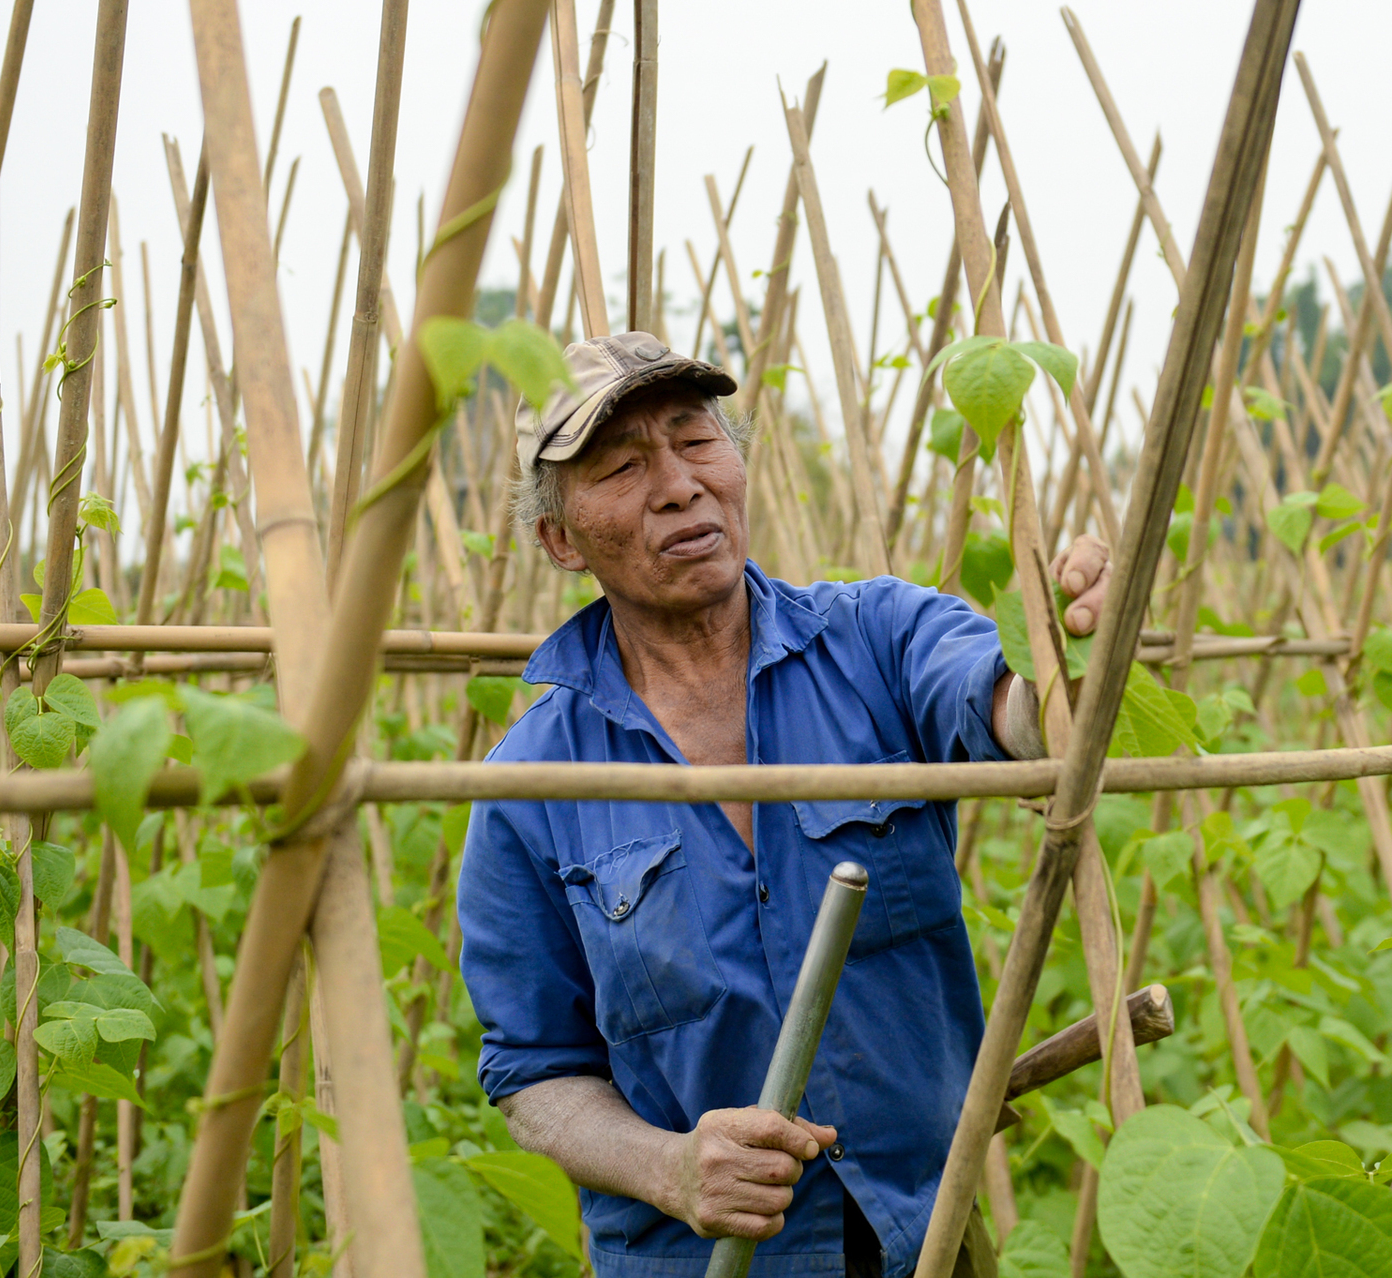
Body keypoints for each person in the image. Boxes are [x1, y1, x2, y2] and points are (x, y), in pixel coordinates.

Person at [456, 332, 1112, 1278]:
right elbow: (534, 1072)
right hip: (697, 1261)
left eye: (696, 440)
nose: (679, 485)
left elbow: (1018, 714)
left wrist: (1066, 651)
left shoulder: (878, 639)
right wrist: (671, 1166)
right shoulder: (531, 786)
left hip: (921, 1241)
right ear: (559, 537)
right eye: (622, 467)